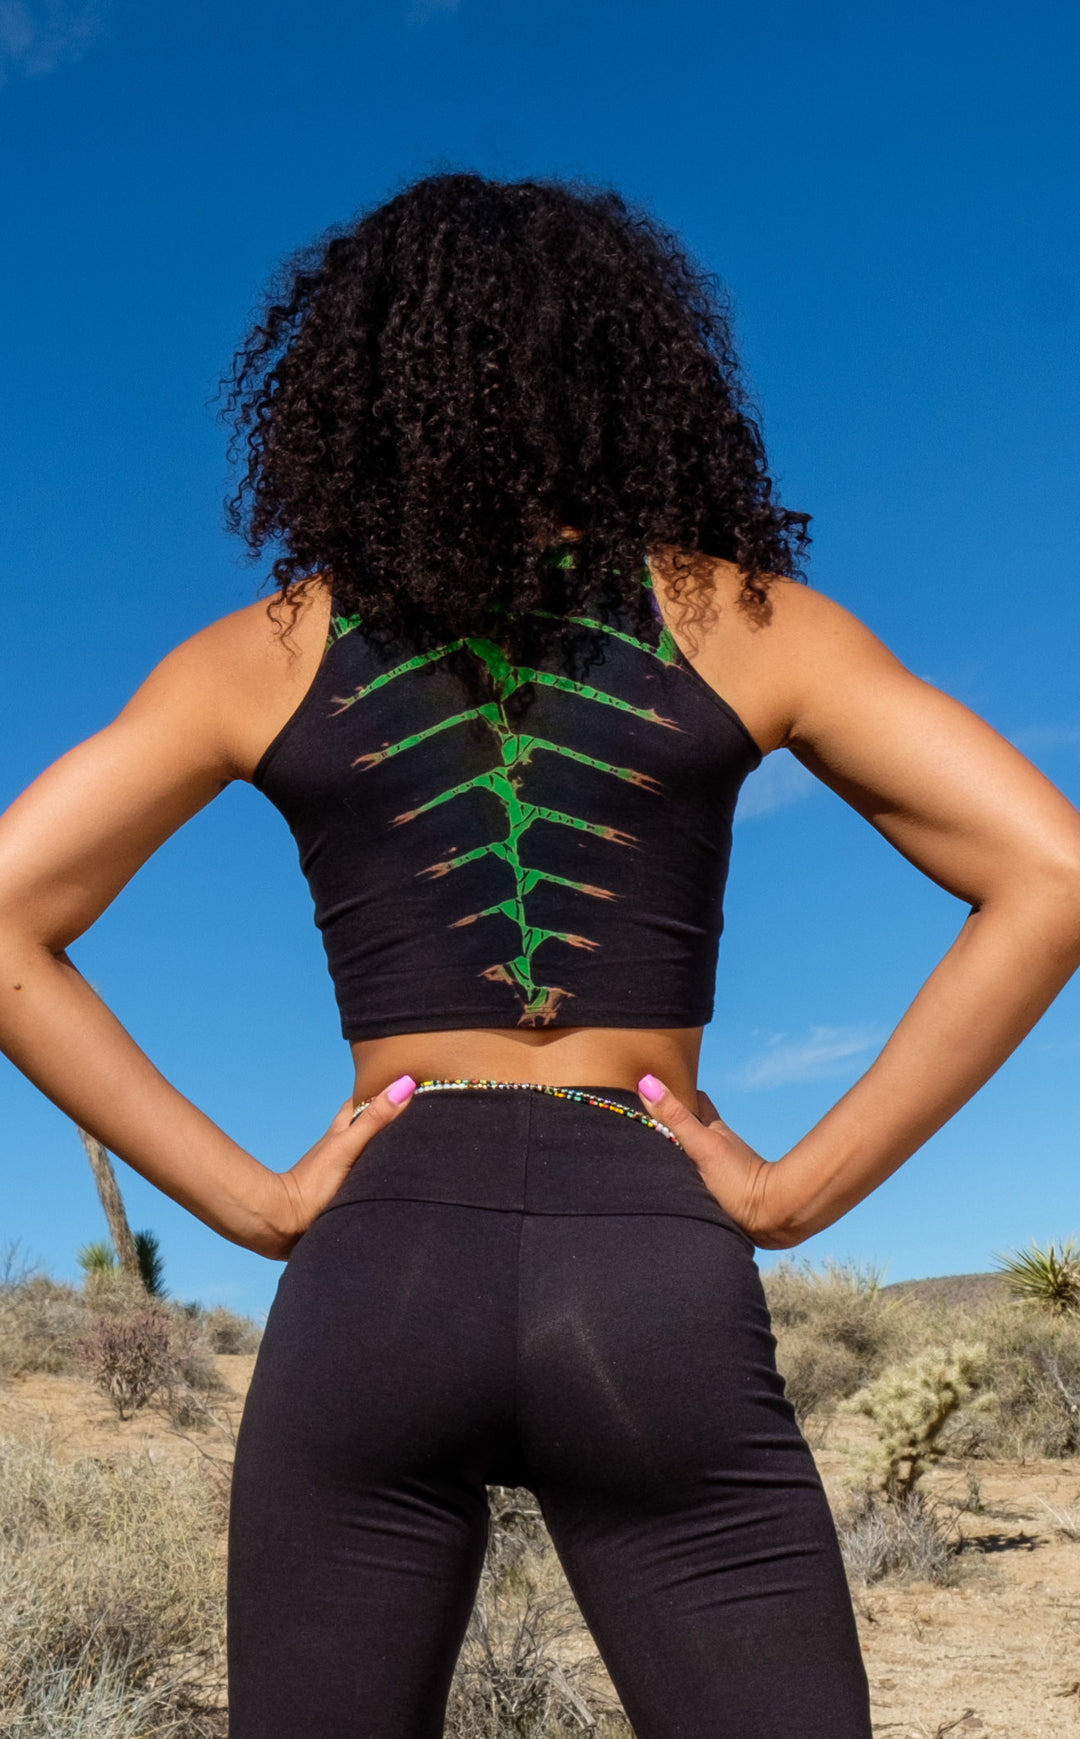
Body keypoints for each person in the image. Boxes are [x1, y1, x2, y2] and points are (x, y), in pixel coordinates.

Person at [1, 169, 1079, 1739]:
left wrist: (253, 1203)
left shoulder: (268, 652)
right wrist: (797, 1193)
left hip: (379, 1259)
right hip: (648, 1260)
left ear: (353, 386)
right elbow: (1049, 872)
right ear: (628, 375)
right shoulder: (737, 622)